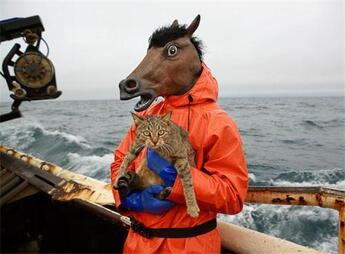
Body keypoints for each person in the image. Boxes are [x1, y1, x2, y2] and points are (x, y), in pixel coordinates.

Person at [110, 62, 248, 253]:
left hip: (189, 246)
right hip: (136, 244)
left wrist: (176, 179)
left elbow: (233, 196)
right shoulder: (147, 115)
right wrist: (129, 197)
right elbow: (119, 160)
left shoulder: (219, 123)